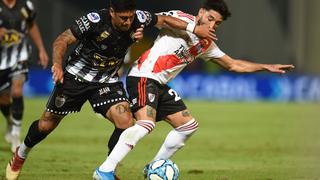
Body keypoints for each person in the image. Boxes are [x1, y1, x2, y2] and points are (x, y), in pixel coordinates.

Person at [5, 0, 215, 179]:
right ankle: (21, 154)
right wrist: (58, 65)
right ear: (112, 12)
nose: (127, 21)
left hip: (106, 81)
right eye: (123, 17)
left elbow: (164, 20)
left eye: (130, 17)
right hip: (75, 78)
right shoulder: (95, 20)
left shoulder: (138, 19)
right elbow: (63, 39)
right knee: (46, 125)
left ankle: (107, 169)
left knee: (126, 122)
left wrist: (195, 30)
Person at [94, 0, 295, 179]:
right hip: (143, 76)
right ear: (200, 13)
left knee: (188, 126)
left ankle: (154, 166)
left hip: (159, 84)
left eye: (217, 23)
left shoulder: (206, 43)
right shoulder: (182, 19)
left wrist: (265, 67)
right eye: (210, 18)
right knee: (146, 124)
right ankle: (105, 170)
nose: (212, 24)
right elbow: (162, 20)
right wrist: (193, 28)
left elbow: (233, 64)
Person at [0, 0, 49, 153]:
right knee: (3, 99)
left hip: (20, 55)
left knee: (16, 91)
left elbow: (32, 25)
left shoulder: (26, 5)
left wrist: (41, 49)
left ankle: (15, 133)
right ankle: (9, 120)